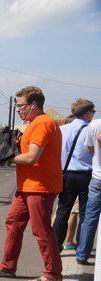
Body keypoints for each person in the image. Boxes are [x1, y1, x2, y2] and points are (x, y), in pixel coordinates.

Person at [0, 86, 63, 281]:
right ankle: (8, 266)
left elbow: (32, 157)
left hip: (40, 186)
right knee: (13, 222)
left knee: (41, 229)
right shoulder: (33, 123)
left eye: (20, 106)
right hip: (27, 186)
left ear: (33, 105)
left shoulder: (43, 123)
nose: (17, 109)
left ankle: (53, 274)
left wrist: (6, 159)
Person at [52, 99, 95, 252]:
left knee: (63, 210)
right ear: (87, 113)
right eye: (93, 112)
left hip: (66, 174)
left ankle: (55, 247)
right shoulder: (90, 130)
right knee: (85, 213)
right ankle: (82, 250)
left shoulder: (63, 129)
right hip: (86, 175)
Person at [76, 116, 101, 264]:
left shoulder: (95, 124)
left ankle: (82, 254)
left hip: (97, 177)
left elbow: (90, 148)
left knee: (90, 217)